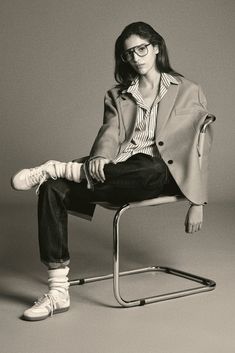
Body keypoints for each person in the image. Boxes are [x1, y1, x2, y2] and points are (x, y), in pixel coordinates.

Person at [11, 22, 214, 321]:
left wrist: (198, 202)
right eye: (128, 53)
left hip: (161, 175)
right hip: (120, 171)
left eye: (141, 49)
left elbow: (201, 147)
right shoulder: (118, 94)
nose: (136, 57)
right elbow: (109, 132)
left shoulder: (188, 90)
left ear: (156, 47)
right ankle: (58, 292)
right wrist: (100, 156)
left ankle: (59, 168)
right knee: (53, 188)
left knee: (148, 168)